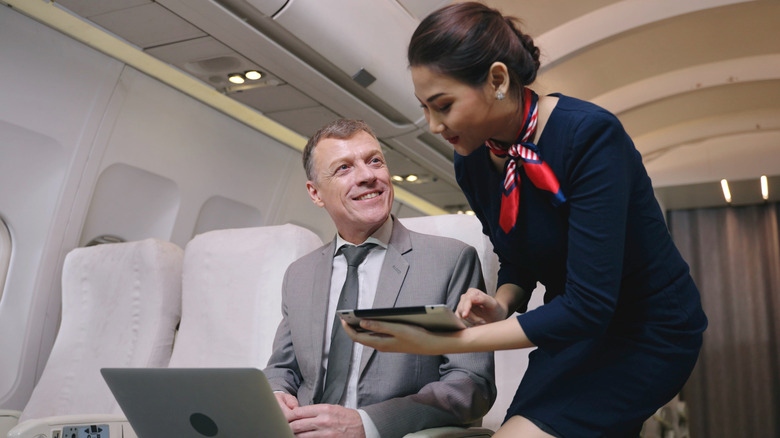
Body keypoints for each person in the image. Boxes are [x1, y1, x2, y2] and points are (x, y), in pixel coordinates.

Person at [344, 3, 708, 438]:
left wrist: (449, 341)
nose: (433, 125)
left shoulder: (590, 136)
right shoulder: (473, 160)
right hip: (572, 332)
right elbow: (515, 253)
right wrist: (502, 302)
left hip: (647, 330)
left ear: (497, 80)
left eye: (443, 105)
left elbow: (590, 305)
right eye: (424, 108)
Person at [263, 118, 496, 438]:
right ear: (315, 193)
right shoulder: (299, 275)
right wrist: (276, 396)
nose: (367, 175)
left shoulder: (449, 261)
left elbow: (470, 384)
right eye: (344, 168)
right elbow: (283, 368)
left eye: (374, 161)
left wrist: (367, 424)